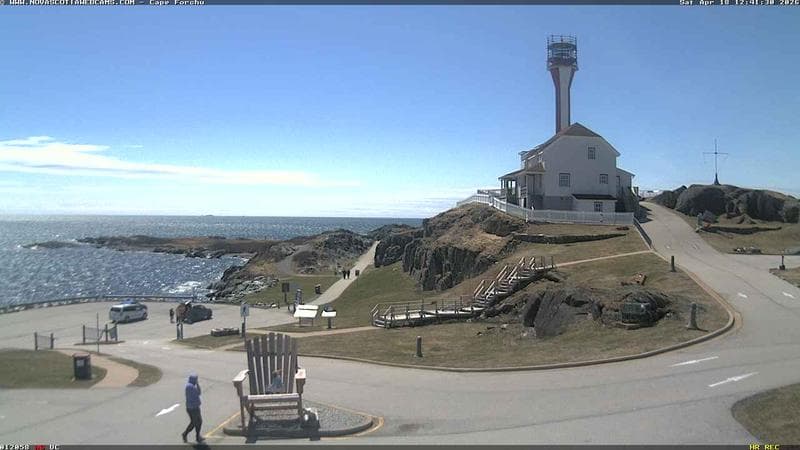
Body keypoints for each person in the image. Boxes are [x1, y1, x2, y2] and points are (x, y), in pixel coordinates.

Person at [182, 373, 204, 443]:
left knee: (198, 422)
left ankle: (197, 436)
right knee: (195, 423)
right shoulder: (191, 387)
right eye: (196, 380)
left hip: (193, 407)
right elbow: (199, 392)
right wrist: (197, 384)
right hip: (193, 408)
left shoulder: (189, 386)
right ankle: (185, 434)